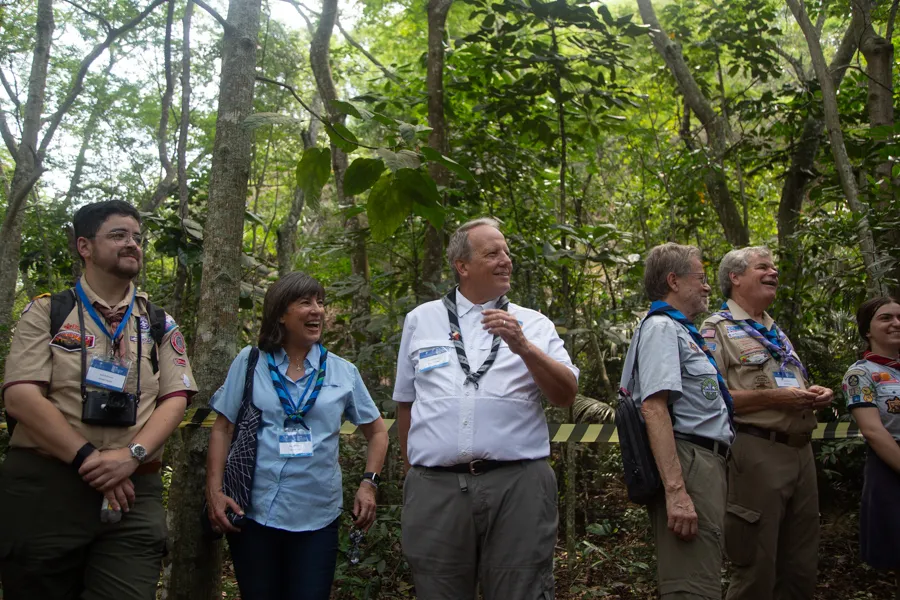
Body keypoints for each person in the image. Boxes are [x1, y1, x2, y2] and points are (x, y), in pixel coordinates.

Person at [0, 200, 198, 599]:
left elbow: (176, 397)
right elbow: (21, 396)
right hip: (48, 486)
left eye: (137, 238)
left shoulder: (157, 322)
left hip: (133, 491)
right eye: (119, 235)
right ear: (85, 246)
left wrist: (131, 455)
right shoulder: (47, 312)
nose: (132, 244)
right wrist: (88, 458)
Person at [393, 218, 578, 600]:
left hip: (518, 485)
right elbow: (406, 404)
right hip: (436, 489)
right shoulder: (421, 320)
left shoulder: (534, 324)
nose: (505, 260)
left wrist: (523, 346)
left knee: (522, 589)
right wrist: (417, 475)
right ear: (462, 266)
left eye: (506, 252)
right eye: (492, 253)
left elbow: (565, 394)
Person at [205, 271, 388, 600]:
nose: (317, 310)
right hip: (255, 514)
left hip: (317, 518)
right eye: (305, 302)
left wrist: (368, 483)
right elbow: (222, 427)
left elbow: (377, 431)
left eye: (320, 302)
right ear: (280, 314)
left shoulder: (343, 372)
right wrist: (215, 491)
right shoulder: (250, 362)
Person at [701, 246, 832, 600]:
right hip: (757, 450)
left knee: (800, 566)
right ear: (735, 277)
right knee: (756, 566)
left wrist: (815, 393)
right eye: (763, 267)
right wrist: (775, 399)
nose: (774, 272)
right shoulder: (717, 329)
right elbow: (712, 398)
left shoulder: (775, 331)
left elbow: (789, 384)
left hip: (800, 452)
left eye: (774, 266)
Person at [619, 242, 733, 599]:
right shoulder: (662, 329)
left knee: (703, 575)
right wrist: (677, 491)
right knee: (692, 586)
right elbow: (654, 408)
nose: (707, 286)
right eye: (699, 278)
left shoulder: (680, 330)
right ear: (673, 281)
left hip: (701, 461)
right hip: (688, 461)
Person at [842, 297, 900, 598]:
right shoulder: (860, 374)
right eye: (886, 318)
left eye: (899, 317)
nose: (896, 324)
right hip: (890, 469)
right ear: (867, 330)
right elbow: (873, 431)